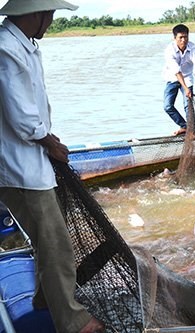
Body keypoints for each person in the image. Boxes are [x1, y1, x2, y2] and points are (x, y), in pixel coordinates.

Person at [0, 1, 104, 332]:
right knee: (56, 242)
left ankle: (46, 299)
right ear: (36, 13)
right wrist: (48, 141)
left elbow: (30, 104)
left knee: (48, 237)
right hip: (19, 168)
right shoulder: (5, 49)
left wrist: (47, 136)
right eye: (52, 15)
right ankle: (73, 322)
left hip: (31, 161)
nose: (52, 22)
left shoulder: (23, 45)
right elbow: (19, 115)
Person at [162, 24, 195, 136]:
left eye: (186, 37)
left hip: (187, 77)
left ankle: (191, 131)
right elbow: (176, 71)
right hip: (172, 77)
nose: (184, 40)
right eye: (181, 38)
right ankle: (184, 126)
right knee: (167, 106)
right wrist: (185, 88)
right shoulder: (169, 50)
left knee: (188, 105)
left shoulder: (193, 48)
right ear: (175, 38)